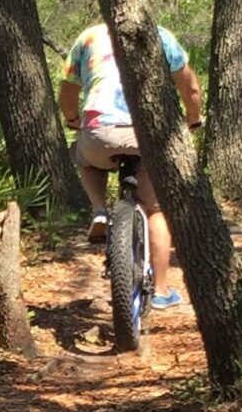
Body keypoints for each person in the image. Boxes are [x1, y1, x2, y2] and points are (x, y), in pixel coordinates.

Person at [58, 16, 203, 309]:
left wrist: (73, 119)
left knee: (84, 159)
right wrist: (193, 118)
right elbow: (191, 90)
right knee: (155, 209)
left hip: (101, 130)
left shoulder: (88, 38)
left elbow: (68, 91)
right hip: (148, 134)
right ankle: (161, 290)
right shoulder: (161, 35)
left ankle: (100, 210)